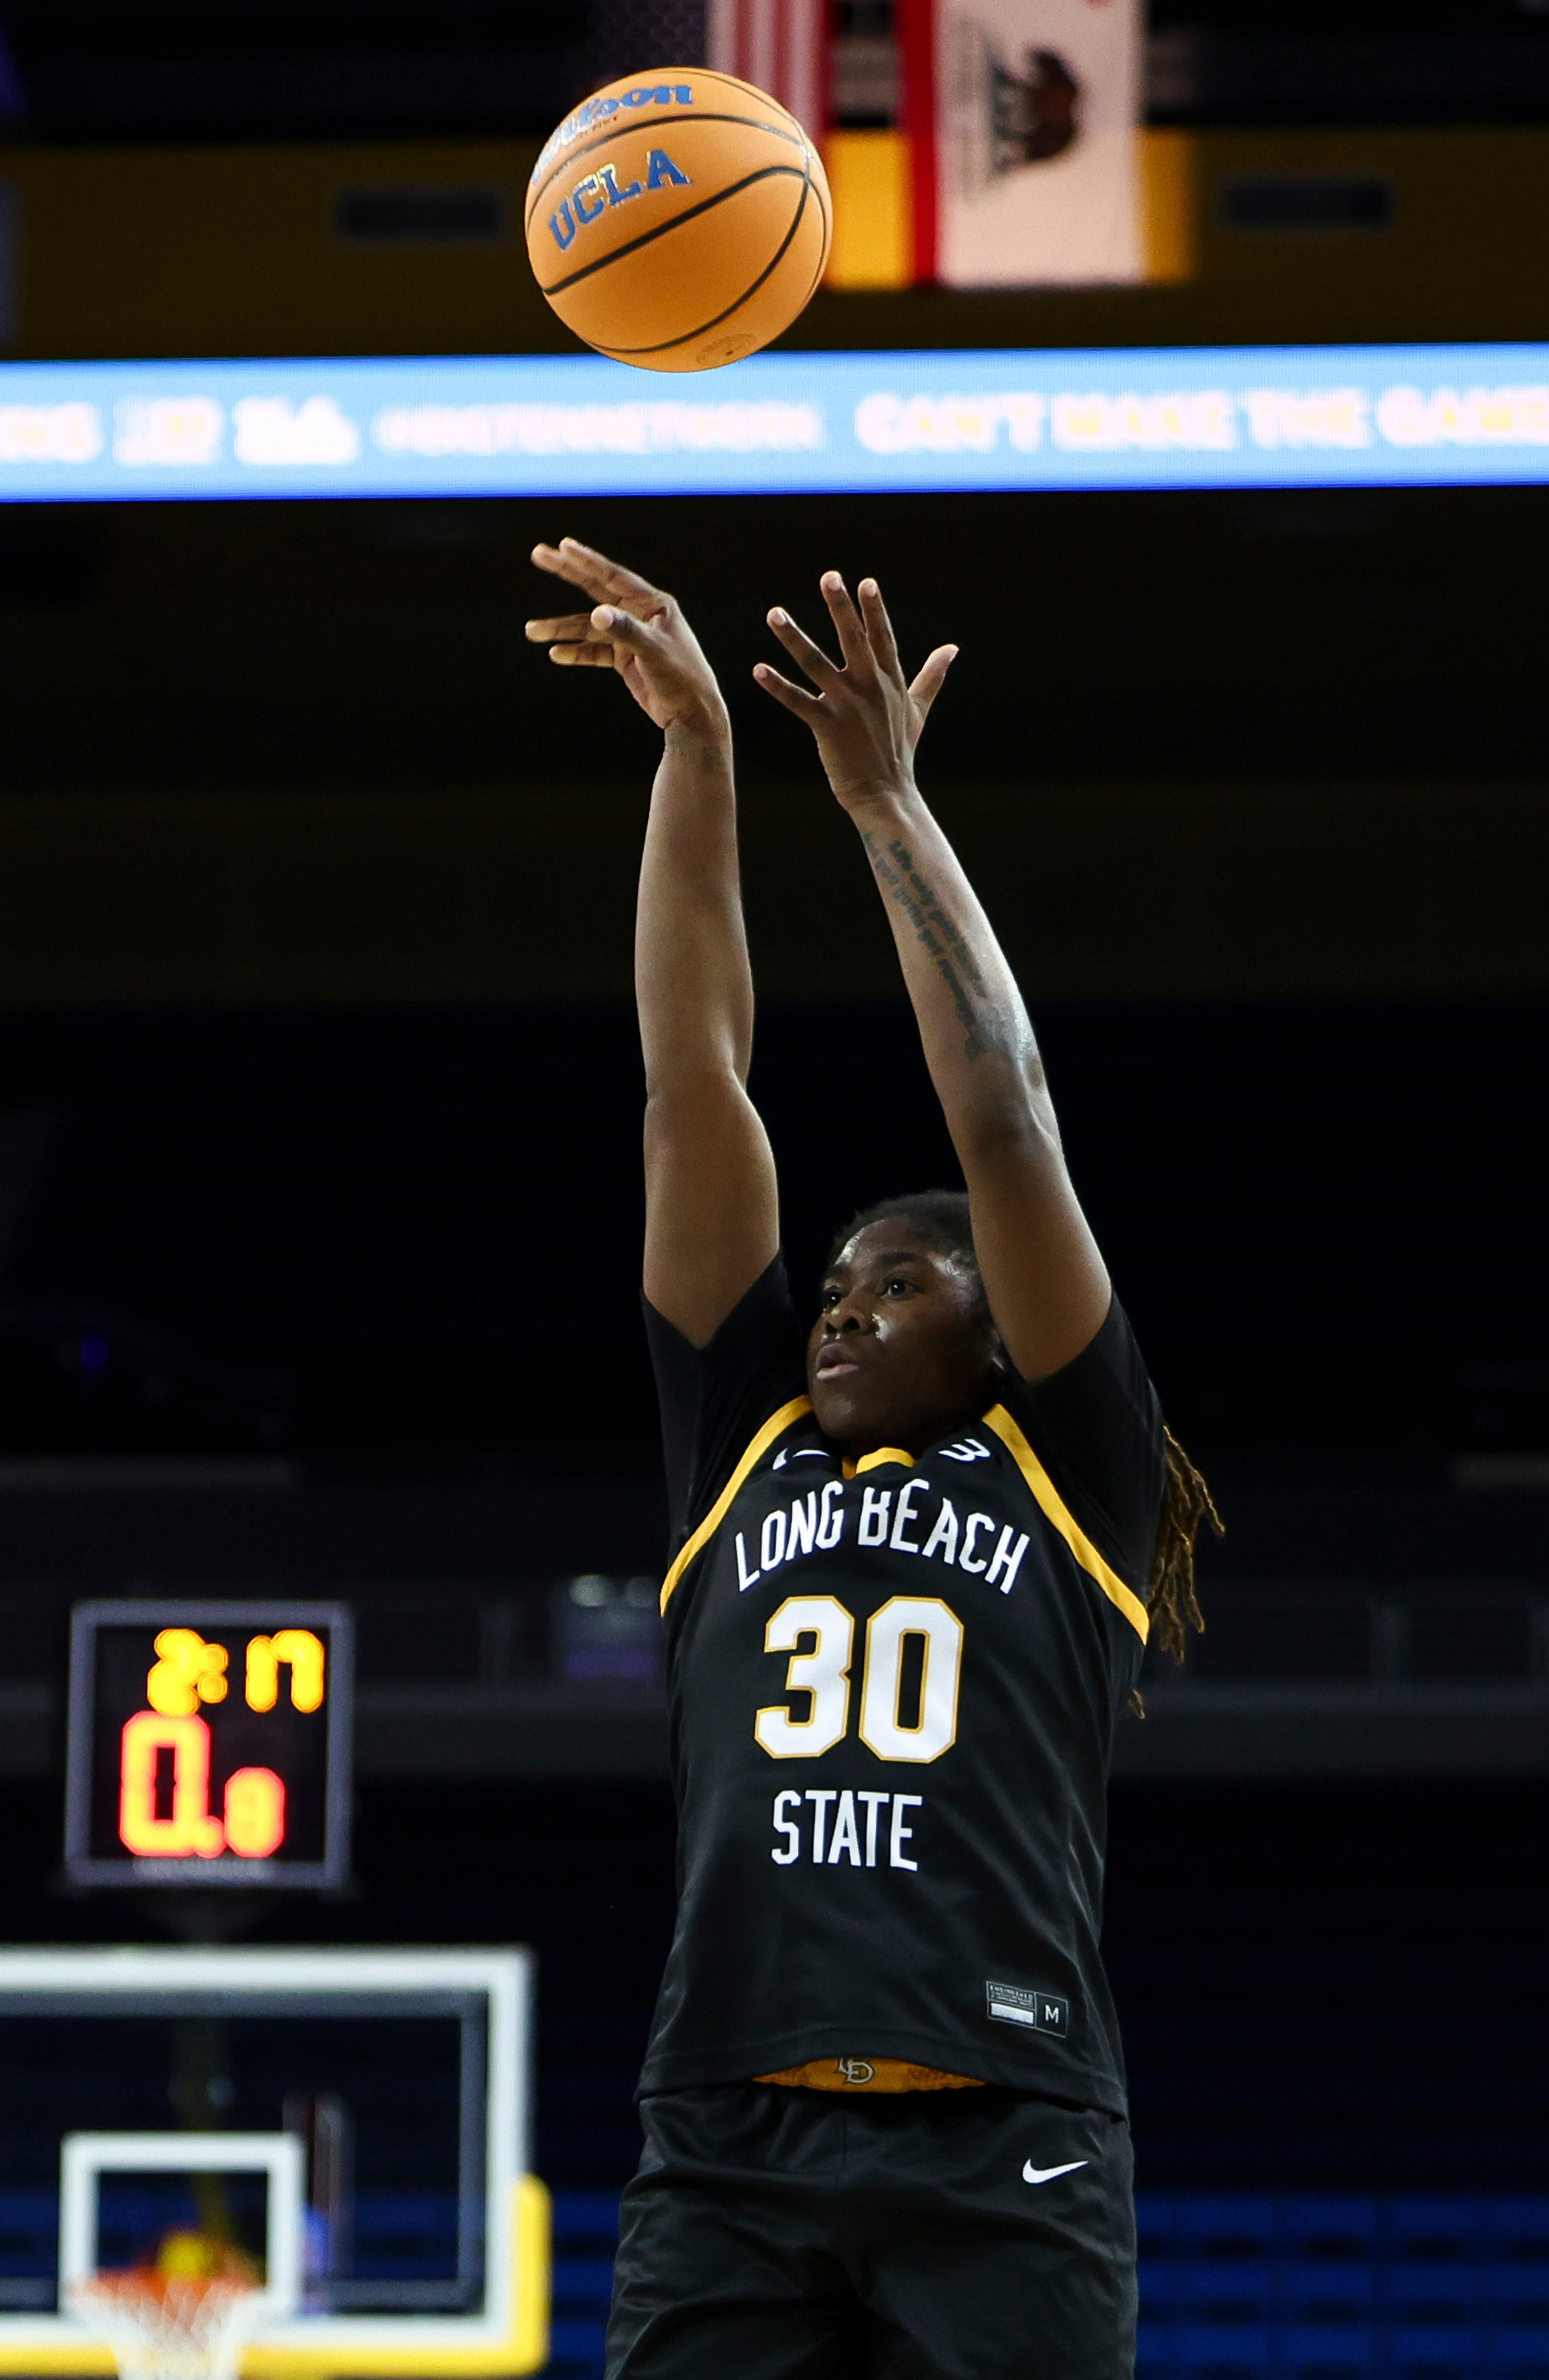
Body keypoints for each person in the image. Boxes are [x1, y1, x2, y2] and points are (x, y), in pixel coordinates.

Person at [526, 543, 1219, 2378]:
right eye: (829, 1286)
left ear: (997, 1332)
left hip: (1003, 2132)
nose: (835, 1312)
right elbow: (694, 1073)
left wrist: (883, 809)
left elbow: (1002, 1109)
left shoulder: (1062, 1462)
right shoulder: (737, 1448)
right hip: (727, 2136)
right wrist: (692, 757)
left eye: (893, 1285)